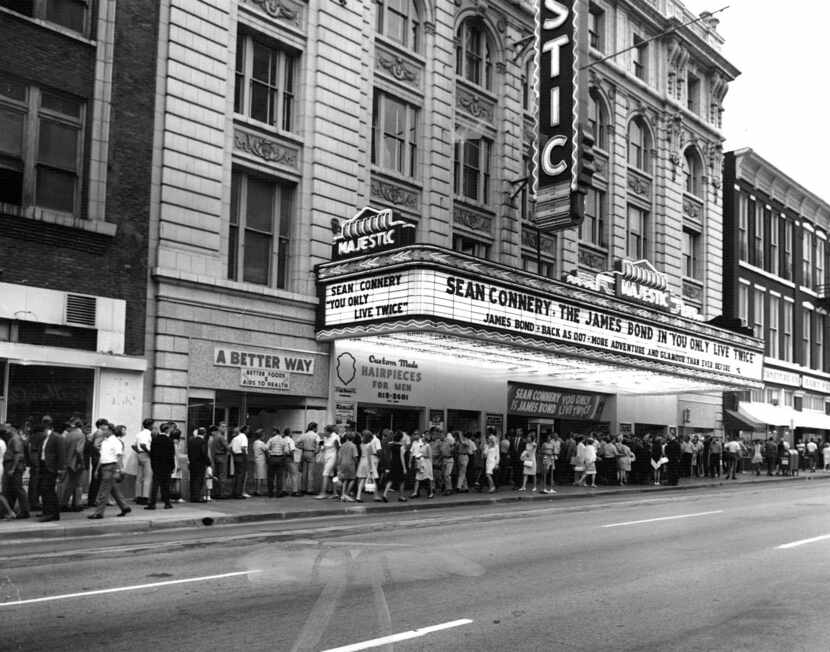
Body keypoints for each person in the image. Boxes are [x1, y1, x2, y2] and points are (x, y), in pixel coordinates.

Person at [88, 422, 131, 519]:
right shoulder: (104, 442)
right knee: (113, 489)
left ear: (111, 431)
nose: (103, 432)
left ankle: (99, 513)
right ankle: (124, 506)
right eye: (103, 430)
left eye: (105, 430)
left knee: (104, 490)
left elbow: (119, 455)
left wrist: (119, 469)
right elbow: (102, 456)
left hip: (111, 467)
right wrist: (97, 469)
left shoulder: (115, 442)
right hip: (104, 466)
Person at [145, 422, 176, 510]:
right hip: (167, 466)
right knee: (166, 485)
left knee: (155, 485)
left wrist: (153, 465)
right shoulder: (169, 440)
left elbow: (152, 454)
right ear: (167, 430)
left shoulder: (155, 439)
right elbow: (171, 455)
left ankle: (152, 503)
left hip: (157, 466)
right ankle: (167, 503)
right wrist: (172, 466)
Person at [2, 425, 30, 519]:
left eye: (7, 429)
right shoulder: (13, 439)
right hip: (13, 467)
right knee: (13, 489)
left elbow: (18, 455)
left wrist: (13, 468)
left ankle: (25, 511)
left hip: (15, 467)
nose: (5, 431)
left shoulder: (15, 439)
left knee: (18, 488)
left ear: (12, 429)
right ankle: (13, 509)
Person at [60, 418, 86, 512]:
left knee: (70, 484)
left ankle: (64, 503)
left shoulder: (68, 435)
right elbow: (79, 450)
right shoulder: (81, 435)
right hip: (77, 463)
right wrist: (82, 462)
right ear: (81, 426)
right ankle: (77, 504)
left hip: (68, 462)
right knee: (78, 484)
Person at [315, 425, 341, 499]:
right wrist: (320, 446)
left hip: (333, 457)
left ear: (329, 432)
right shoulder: (325, 437)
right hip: (326, 457)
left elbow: (338, 449)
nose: (324, 432)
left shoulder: (335, 437)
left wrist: (337, 461)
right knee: (331, 475)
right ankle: (335, 493)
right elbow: (322, 447)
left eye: (325, 431)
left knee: (325, 474)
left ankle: (323, 493)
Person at [132, 418, 154, 505]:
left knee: (139, 477)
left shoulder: (139, 434)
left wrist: (138, 451)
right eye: (152, 425)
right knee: (148, 477)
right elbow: (143, 445)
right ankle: (145, 497)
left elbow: (133, 446)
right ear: (149, 425)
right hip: (147, 455)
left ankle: (137, 496)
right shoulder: (149, 434)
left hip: (140, 455)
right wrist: (149, 453)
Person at [381, 431, 407, 502]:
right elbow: (402, 458)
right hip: (399, 464)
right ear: (401, 438)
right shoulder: (401, 447)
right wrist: (404, 468)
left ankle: (385, 494)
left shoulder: (392, 445)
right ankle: (401, 496)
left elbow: (389, 445)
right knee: (401, 481)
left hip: (393, 463)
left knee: (390, 480)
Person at [355, 430, 379, 502]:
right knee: (374, 479)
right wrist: (371, 468)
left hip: (362, 461)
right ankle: (376, 496)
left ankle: (358, 496)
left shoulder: (361, 444)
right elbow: (369, 456)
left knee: (362, 479)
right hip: (368, 462)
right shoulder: (369, 445)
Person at [187, 427, 210, 502]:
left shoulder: (191, 441)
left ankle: (192, 496)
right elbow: (203, 453)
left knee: (192, 480)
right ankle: (197, 497)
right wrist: (208, 462)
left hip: (192, 463)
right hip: (200, 464)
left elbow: (189, 452)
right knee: (198, 480)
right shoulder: (203, 442)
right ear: (204, 433)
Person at [410, 431, 434, 498]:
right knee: (418, 477)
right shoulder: (421, 445)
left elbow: (429, 456)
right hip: (421, 462)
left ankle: (431, 493)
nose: (422, 438)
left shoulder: (428, 446)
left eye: (423, 437)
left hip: (427, 463)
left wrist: (422, 455)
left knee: (428, 478)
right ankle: (415, 492)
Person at [298, 422, 320, 495]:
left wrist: (302, 447)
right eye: (316, 427)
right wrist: (317, 451)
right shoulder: (315, 435)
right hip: (311, 453)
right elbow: (319, 444)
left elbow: (296, 443)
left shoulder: (304, 435)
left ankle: (303, 488)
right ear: (314, 428)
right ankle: (310, 490)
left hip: (304, 453)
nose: (317, 429)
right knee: (310, 473)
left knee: (304, 472)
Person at [336, 432, 358, 502]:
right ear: (353, 438)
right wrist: (356, 463)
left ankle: (342, 495)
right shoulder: (353, 446)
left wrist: (338, 465)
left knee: (344, 479)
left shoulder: (342, 445)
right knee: (352, 479)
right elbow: (355, 457)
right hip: (350, 464)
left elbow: (339, 457)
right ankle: (346, 494)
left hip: (342, 463)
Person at [265, 428, 287, 497]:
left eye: (273, 431)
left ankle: (270, 493)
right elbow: (286, 451)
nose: (272, 433)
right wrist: (283, 457)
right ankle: (278, 493)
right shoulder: (283, 440)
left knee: (270, 477)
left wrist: (268, 455)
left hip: (272, 458)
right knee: (279, 477)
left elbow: (266, 448)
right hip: (280, 458)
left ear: (275, 432)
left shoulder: (271, 439)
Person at [209, 424, 229, 499]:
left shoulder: (214, 437)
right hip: (222, 457)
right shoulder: (221, 437)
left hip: (215, 457)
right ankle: (222, 493)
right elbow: (227, 447)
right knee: (222, 475)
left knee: (216, 475)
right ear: (219, 428)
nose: (225, 428)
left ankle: (215, 492)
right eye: (223, 427)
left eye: (225, 427)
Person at [229, 426, 249, 499]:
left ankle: (234, 492)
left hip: (235, 457)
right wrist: (245, 457)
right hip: (241, 456)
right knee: (241, 475)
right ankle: (238, 493)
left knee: (236, 475)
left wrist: (234, 454)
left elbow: (230, 447)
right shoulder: (243, 437)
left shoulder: (234, 438)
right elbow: (243, 448)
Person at [252, 429, 268, 496]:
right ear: (261, 435)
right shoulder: (261, 443)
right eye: (263, 435)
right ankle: (259, 491)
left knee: (256, 476)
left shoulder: (255, 442)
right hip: (261, 460)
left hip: (256, 459)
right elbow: (266, 449)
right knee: (260, 476)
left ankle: (256, 489)